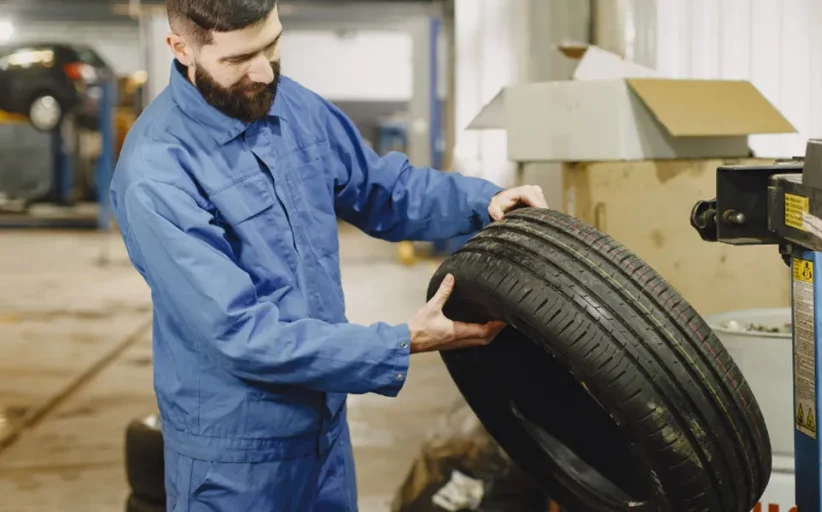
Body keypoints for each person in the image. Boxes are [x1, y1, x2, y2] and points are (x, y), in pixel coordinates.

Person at [110, 1, 547, 510]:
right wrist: (400, 342)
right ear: (181, 48)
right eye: (238, 58)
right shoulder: (157, 172)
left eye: (271, 44)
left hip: (324, 432)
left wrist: (482, 201)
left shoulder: (293, 106)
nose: (263, 71)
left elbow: (382, 189)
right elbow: (240, 333)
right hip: (236, 460)